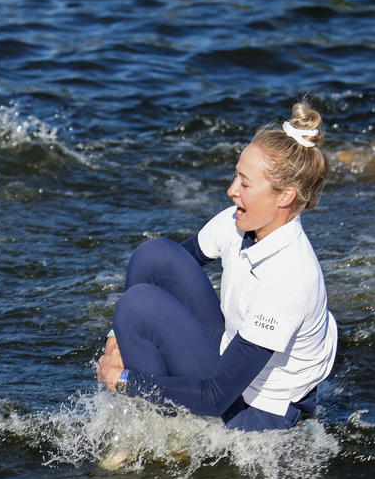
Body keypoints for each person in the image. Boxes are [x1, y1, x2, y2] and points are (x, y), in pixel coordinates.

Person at [95, 103, 338, 431]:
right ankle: (151, 408)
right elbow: (165, 269)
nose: (231, 190)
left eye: (245, 184)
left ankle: (160, 427)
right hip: (228, 361)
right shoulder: (237, 221)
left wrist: (125, 381)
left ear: (285, 197)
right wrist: (116, 343)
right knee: (153, 255)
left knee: (137, 306)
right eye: (236, 175)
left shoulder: (289, 280)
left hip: (256, 411)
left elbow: (216, 397)